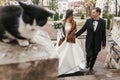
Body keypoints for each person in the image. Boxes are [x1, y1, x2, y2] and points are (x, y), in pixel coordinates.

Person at [76, 7, 106, 74]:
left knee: (95, 55)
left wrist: (104, 43)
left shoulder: (103, 22)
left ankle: (91, 67)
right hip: (89, 41)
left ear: (98, 13)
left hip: (97, 42)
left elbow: (104, 33)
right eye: (92, 12)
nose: (92, 14)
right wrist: (75, 35)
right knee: (89, 54)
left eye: (94, 12)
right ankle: (87, 63)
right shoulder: (88, 21)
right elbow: (82, 29)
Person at [56, 9, 86, 76]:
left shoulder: (74, 22)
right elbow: (59, 32)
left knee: (72, 54)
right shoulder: (62, 22)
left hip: (70, 40)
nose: (73, 15)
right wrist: (60, 34)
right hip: (63, 40)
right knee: (62, 54)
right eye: (72, 14)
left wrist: (71, 34)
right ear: (69, 14)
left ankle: (73, 68)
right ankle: (61, 68)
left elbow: (75, 30)